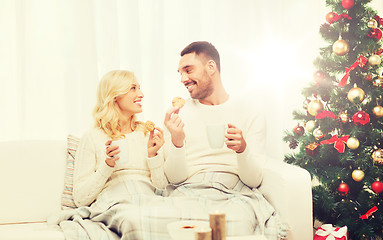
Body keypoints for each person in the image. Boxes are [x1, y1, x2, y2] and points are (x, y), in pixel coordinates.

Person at [162, 41, 283, 238]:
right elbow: (175, 179)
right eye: (180, 73)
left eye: (188, 70)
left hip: (234, 192)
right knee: (169, 223)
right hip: (188, 190)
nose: (183, 79)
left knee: (237, 224)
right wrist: (177, 141)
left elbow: (254, 180)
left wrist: (242, 150)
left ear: (211, 67)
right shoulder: (178, 113)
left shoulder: (250, 110)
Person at [73, 70, 168, 207]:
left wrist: (153, 156)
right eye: (133, 88)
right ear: (115, 95)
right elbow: (80, 199)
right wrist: (107, 165)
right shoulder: (92, 137)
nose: (141, 94)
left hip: (149, 202)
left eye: (139, 88)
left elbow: (162, 189)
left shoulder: (148, 135)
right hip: (115, 204)